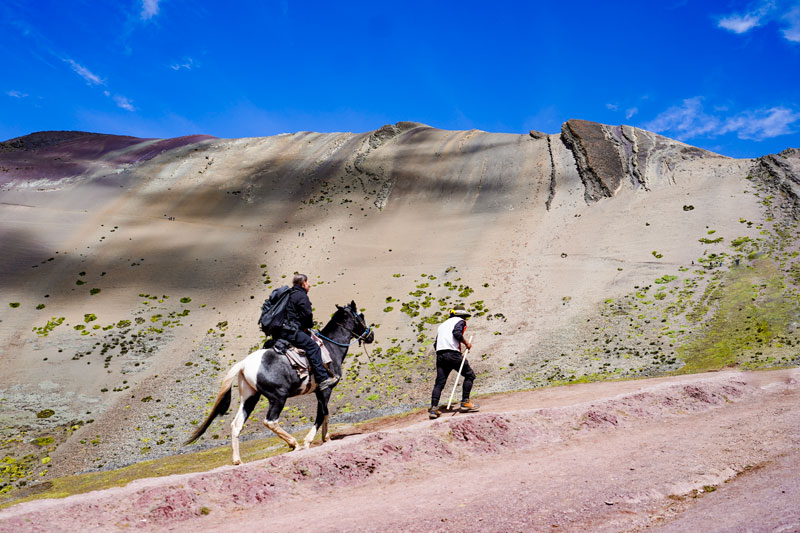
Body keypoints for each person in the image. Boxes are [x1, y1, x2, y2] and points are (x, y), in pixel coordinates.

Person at [272, 273, 339, 391]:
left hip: (280, 331)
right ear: (303, 284)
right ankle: (323, 379)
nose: (309, 285)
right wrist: (309, 325)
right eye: (308, 282)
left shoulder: (288, 294)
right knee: (313, 347)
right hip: (292, 332)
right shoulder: (301, 296)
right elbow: (307, 315)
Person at [428, 304, 479, 419]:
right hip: (452, 354)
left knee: (439, 383)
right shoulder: (460, 321)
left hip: (440, 355)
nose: (465, 319)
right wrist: (467, 344)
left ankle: (433, 408)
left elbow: (436, 343)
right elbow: (457, 334)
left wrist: (451, 355)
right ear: (462, 316)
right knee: (470, 375)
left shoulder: (442, 325)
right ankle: (465, 402)